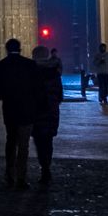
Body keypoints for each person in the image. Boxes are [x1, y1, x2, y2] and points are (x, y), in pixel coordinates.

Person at [0, 39, 40, 189]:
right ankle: (21, 177)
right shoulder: (30, 65)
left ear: (6, 49)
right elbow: (38, 89)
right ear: (21, 48)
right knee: (24, 145)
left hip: (10, 110)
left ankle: (9, 174)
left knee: (11, 141)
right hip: (27, 110)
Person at [31, 44, 63, 187]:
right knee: (48, 142)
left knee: (38, 141)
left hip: (36, 112)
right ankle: (46, 167)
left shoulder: (31, 72)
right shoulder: (54, 72)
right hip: (51, 112)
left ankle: (43, 166)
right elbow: (60, 95)